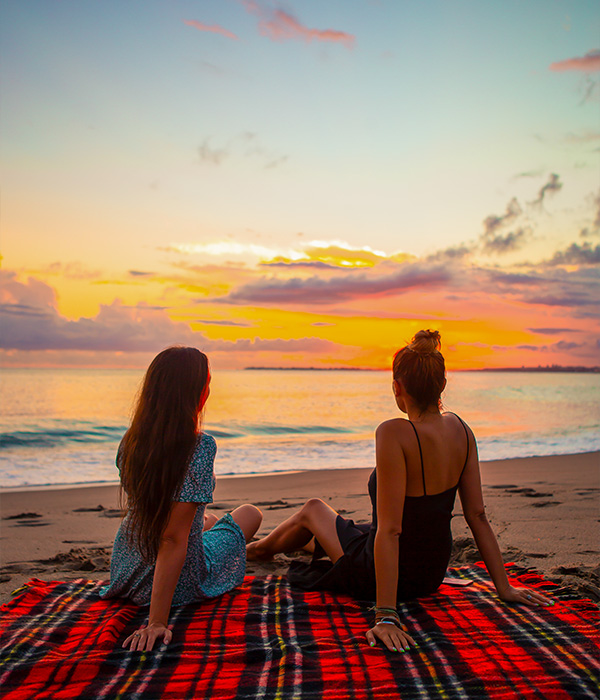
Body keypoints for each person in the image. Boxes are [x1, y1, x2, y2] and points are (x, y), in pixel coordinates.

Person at [247, 330, 552, 653]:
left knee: (313, 509)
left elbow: (391, 532)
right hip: (432, 570)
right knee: (344, 530)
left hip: (387, 575)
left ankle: (257, 551)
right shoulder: (463, 430)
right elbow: (477, 515)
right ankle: (274, 547)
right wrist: (502, 587)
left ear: (397, 387)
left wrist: (387, 615)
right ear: (443, 385)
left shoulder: (394, 432)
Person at [100, 346, 262, 651]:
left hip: (126, 566)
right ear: (197, 391)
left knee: (208, 520)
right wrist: (157, 621)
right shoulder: (198, 447)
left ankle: (210, 531)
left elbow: (162, 520)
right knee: (250, 514)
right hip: (170, 580)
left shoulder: (130, 442)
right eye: (208, 382)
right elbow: (173, 539)